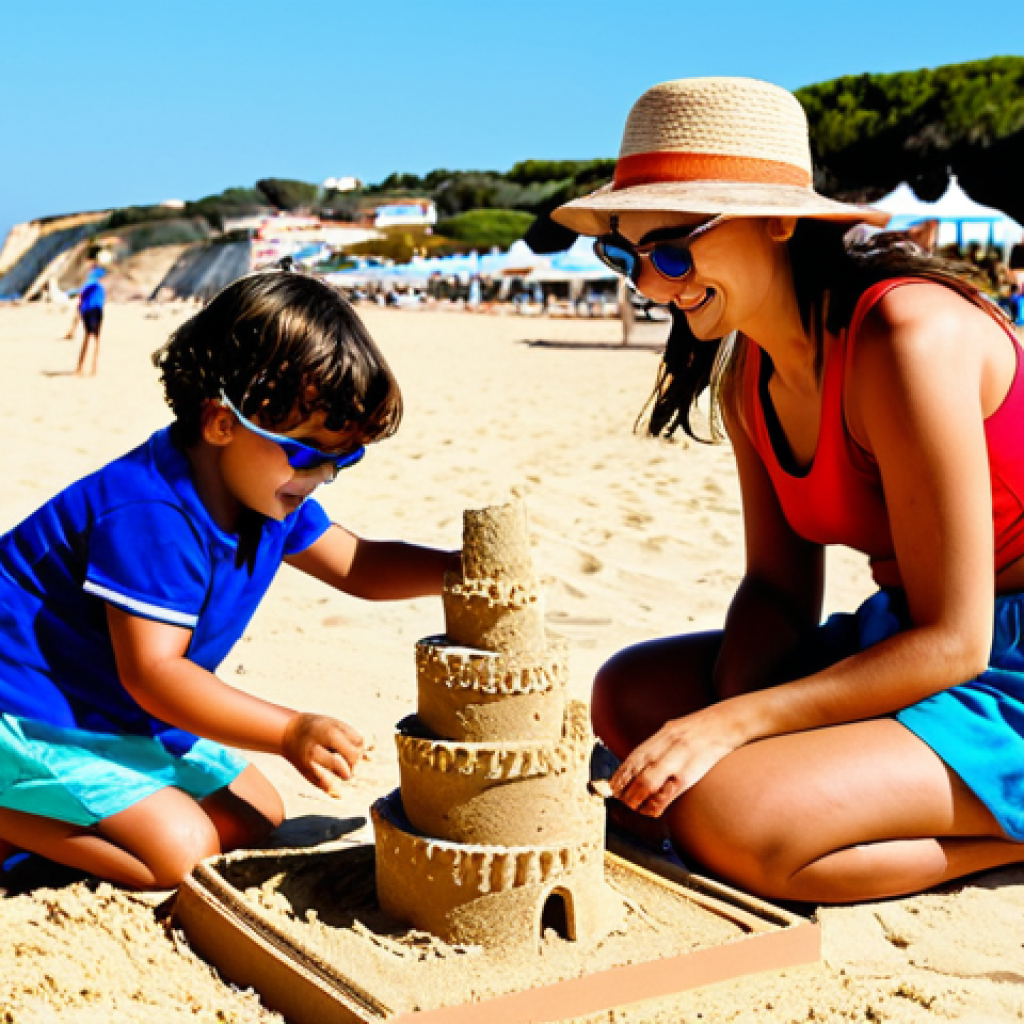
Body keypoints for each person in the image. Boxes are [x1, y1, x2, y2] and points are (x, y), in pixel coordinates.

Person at [553, 77, 1024, 904]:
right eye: (625, 256)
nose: (653, 288)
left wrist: (732, 729)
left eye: (673, 249)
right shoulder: (749, 378)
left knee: (726, 815)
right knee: (629, 697)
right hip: (919, 632)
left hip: (982, 648)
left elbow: (958, 642)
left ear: (779, 221)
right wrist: (725, 712)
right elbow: (776, 590)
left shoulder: (906, 338)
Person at [0, 270, 456, 890]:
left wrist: (460, 569)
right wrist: (290, 730)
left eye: (343, 457)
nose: (322, 474)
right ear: (221, 422)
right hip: (26, 710)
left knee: (255, 816)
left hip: (111, 713)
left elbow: (361, 564)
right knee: (180, 851)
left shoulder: (263, 496)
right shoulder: (151, 511)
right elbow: (154, 673)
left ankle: (54, 823)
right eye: (306, 452)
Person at [65, 267, 107, 376]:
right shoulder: (99, 287)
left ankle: (80, 367)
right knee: (96, 339)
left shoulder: (91, 283)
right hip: (98, 310)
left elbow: (79, 294)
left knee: (87, 338)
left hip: (89, 310)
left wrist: (70, 294)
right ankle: (94, 368)